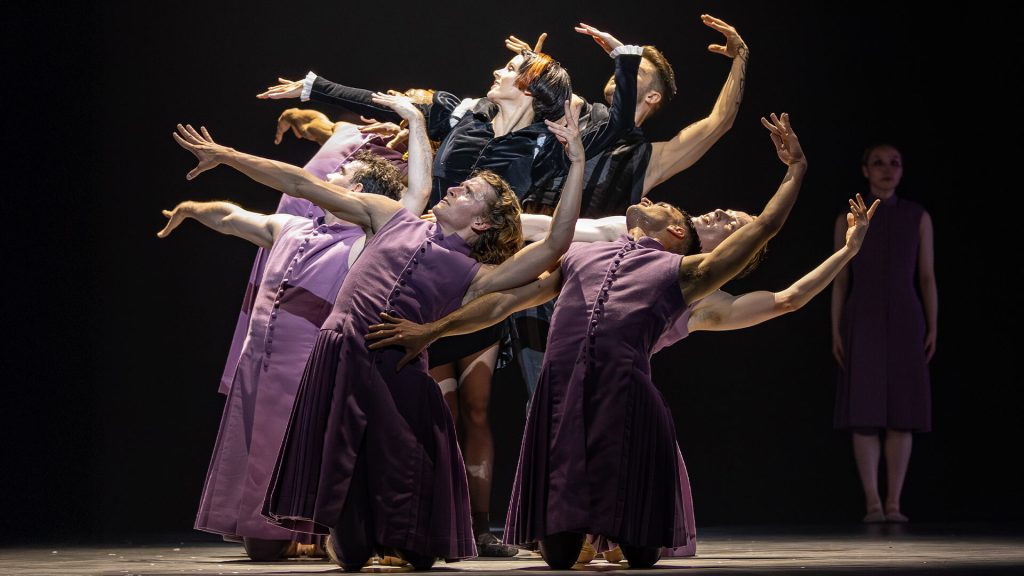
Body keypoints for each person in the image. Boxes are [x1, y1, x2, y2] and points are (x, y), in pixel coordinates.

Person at [363, 112, 806, 568]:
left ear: (675, 233)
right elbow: (501, 304)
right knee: (558, 555)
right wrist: (432, 330)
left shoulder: (684, 274)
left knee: (639, 552)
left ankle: (626, 529)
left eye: (664, 207)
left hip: (625, 399)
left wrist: (794, 171)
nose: (649, 198)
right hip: (564, 401)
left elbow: (763, 229)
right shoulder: (582, 256)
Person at [171, 97, 587, 571]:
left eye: (468, 192)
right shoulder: (389, 216)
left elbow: (556, 242)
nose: (455, 190)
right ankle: (347, 535)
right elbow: (297, 181)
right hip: (341, 353)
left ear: (482, 222)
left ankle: (409, 535)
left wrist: (575, 160)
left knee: (412, 521)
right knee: (348, 542)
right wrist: (227, 155)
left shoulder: (475, 273)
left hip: (396, 368)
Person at [161, 93, 429, 561]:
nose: (330, 176)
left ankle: (328, 525)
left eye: (342, 174)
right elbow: (230, 217)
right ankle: (279, 524)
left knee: (321, 453)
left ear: (360, 193)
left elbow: (413, 197)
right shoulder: (291, 228)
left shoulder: (368, 241)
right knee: (262, 547)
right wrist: (191, 208)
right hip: (261, 375)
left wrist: (415, 122)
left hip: (312, 375)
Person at [831, 143, 937, 524]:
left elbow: (926, 277)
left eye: (894, 162)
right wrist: (836, 329)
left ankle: (894, 503)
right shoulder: (848, 219)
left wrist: (932, 324)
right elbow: (839, 279)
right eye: (878, 163)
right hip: (864, 316)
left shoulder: (917, 216)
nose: (887, 169)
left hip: (906, 317)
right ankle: (873, 504)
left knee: (901, 412)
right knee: (865, 409)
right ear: (865, 170)